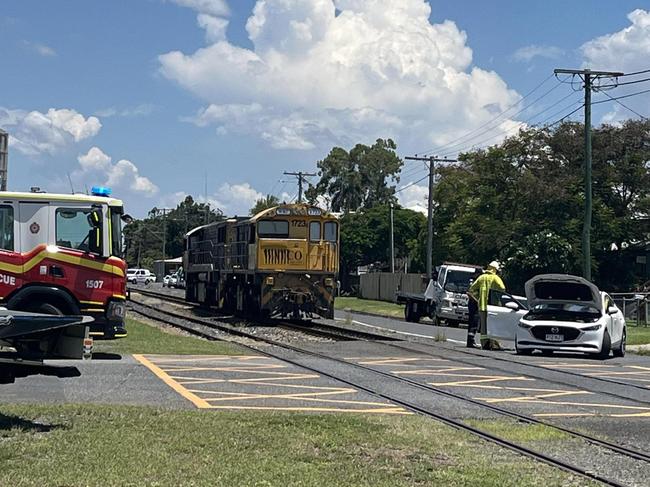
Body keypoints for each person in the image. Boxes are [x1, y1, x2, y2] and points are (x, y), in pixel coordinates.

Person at [467, 261, 506, 350]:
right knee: (494, 325)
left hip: (482, 306)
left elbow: (472, 289)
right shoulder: (496, 278)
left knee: (484, 327)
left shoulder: (481, 277)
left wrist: (477, 298)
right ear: (496, 269)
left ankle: (485, 344)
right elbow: (503, 289)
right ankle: (494, 344)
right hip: (494, 306)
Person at [466, 268, 483, 348]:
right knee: (474, 322)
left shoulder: (478, 281)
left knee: (474, 322)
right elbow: (469, 293)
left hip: (475, 303)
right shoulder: (473, 281)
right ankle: (470, 341)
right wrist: (477, 301)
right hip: (473, 304)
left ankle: (470, 341)